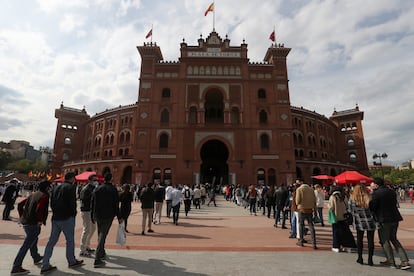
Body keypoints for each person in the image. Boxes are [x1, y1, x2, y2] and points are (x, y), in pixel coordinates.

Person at [40, 172, 84, 274]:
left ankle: (45, 264)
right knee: (70, 240)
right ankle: (71, 261)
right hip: (67, 217)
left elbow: (52, 202)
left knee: (51, 241)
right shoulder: (70, 188)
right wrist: (73, 214)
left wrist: (55, 212)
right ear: (72, 178)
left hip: (56, 217)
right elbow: (72, 203)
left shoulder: (56, 187)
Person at [369, 178, 411, 270]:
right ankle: (405, 261)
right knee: (394, 239)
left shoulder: (376, 193)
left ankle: (391, 261)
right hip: (394, 218)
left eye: (372, 184)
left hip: (384, 220)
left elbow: (373, 207)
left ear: (376, 185)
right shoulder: (391, 191)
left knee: (384, 241)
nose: (371, 185)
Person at [10, 181, 51, 275]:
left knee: (33, 239)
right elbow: (40, 208)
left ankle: (35, 257)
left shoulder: (33, 194)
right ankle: (16, 266)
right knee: (26, 244)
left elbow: (20, 205)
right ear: (47, 187)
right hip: (34, 222)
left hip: (26, 221)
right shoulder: (44, 196)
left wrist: (22, 216)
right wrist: (40, 220)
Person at [91, 172, 122, 268]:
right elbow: (116, 204)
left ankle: (102, 252)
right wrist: (119, 217)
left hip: (98, 215)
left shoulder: (97, 189)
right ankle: (97, 259)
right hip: (108, 215)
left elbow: (93, 203)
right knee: (103, 235)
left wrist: (93, 215)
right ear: (111, 179)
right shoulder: (113, 189)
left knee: (101, 233)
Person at [349, 184, 378, 266]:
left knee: (359, 240)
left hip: (359, 221)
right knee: (370, 240)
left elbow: (350, 210)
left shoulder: (352, 199)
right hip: (370, 221)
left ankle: (360, 258)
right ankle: (370, 260)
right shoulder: (369, 198)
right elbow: (374, 209)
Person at [328, 186, 356, 253]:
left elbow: (331, 207)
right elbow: (347, 205)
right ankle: (348, 246)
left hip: (336, 217)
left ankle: (336, 246)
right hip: (344, 217)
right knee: (346, 232)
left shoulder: (333, 197)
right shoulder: (344, 196)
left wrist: (328, 206)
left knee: (336, 232)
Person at [295, 180, 318, 249]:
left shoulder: (299, 189)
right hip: (310, 210)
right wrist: (315, 211)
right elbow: (314, 201)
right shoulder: (311, 190)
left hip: (302, 210)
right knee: (311, 226)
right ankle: (314, 243)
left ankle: (301, 241)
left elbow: (297, 201)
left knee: (301, 225)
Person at [79, 174, 97, 257]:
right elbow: (84, 199)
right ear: (89, 180)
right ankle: (82, 249)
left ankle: (87, 245)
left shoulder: (92, 188)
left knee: (93, 228)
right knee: (86, 229)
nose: (95, 182)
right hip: (86, 211)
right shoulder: (86, 189)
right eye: (94, 180)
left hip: (90, 211)